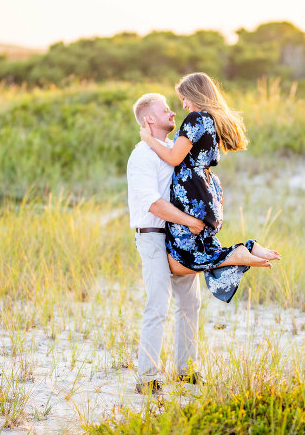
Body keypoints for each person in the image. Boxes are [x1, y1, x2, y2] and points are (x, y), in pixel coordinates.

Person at [140, 73, 280, 303]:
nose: (183, 105)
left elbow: (175, 158)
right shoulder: (210, 120)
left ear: (195, 94)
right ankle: (247, 248)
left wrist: (148, 138)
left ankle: (240, 253)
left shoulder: (196, 118)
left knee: (182, 259)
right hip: (204, 190)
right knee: (195, 252)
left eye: (184, 98)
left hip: (192, 193)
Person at [127, 92, 206, 395]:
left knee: (190, 302)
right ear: (149, 119)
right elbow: (154, 205)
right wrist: (190, 221)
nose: (173, 113)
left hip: (181, 237)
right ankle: (147, 378)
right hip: (153, 235)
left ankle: (187, 371)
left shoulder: (172, 149)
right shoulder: (141, 156)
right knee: (158, 303)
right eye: (165, 110)